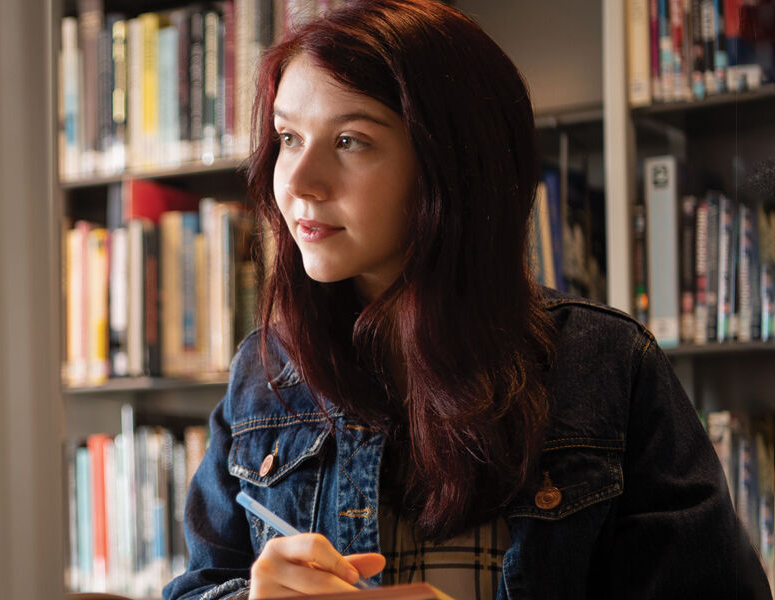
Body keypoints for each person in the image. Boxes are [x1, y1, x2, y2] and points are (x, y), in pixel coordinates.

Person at [162, 1, 773, 598]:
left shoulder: (608, 363)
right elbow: (197, 586)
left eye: (350, 140)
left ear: (450, 162)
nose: (297, 181)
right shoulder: (264, 371)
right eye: (289, 137)